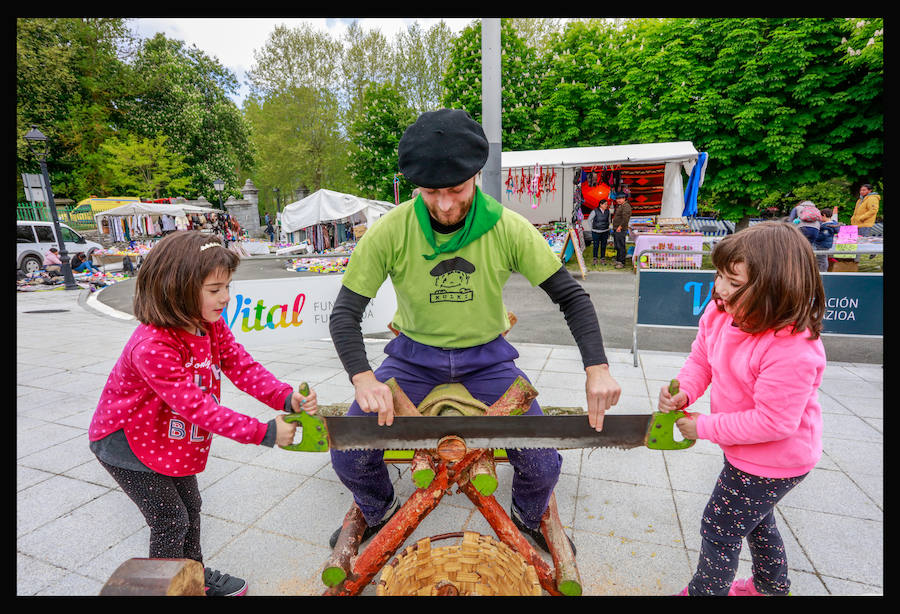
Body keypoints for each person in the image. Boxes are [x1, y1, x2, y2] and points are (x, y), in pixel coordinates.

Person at [327, 108, 622, 553]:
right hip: (412, 359)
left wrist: (597, 368)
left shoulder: (508, 227)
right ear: (415, 187)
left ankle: (528, 514)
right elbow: (344, 313)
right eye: (431, 192)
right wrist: (363, 378)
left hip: (487, 359)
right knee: (347, 450)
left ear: (477, 177)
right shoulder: (389, 231)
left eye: (456, 190)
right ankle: (377, 508)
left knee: (542, 463)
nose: (445, 205)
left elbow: (573, 297)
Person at [87, 231, 318, 597]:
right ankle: (164, 590)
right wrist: (265, 432)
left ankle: (193, 577)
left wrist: (285, 397)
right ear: (176, 287)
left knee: (190, 506)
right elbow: (198, 408)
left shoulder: (207, 324)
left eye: (226, 286)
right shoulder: (153, 344)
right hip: (126, 444)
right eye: (215, 289)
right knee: (170, 520)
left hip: (164, 436)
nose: (226, 297)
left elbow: (241, 366)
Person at [657, 221, 826, 596]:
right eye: (719, 276)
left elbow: (774, 422)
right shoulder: (721, 313)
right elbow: (702, 360)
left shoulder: (791, 347)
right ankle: (771, 587)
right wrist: (685, 392)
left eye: (734, 284)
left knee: (719, 528)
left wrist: (703, 426)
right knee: (756, 520)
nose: (719, 289)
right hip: (746, 451)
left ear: (777, 291)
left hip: (775, 460)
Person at [813, 207, 841, 272]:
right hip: (824, 244)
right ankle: (820, 271)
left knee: (822, 259)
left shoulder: (827, 226)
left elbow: (823, 236)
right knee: (820, 258)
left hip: (823, 245)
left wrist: (814, 237)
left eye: (821, 216)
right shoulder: (830, 224)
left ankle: (823, 272)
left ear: (824, 215)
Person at [610, 190, 632, 269]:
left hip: (620, 229)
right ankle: (618, 260)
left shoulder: (626, 206)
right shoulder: (621, 206)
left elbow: (625, 218)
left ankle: (622, 262)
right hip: (616, 228)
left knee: (621, 245)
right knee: (617, 245)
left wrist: (620, 227)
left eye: (620, 198)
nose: (618, 200)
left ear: (624, 199)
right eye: (617, 199)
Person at [587, 199, 612, 265]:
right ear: (601, 204)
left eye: (607, 204)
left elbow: (609, 220)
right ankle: (595, 259)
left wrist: (607, 226)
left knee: (603, 245)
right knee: (596, 245)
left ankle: (602, 259)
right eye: (605, 204)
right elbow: (589, 220)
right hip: (596, 231)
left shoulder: (608, 211)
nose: (607, 205)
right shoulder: (594, 211)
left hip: (605, 231)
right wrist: (592, 228)